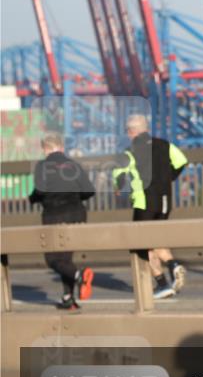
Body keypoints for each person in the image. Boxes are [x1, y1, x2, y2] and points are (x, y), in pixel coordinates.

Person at [112, 114, 189, 300]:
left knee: (141, 245)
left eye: (128, 132)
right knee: (155, 239)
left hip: (144, 202)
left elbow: (118, 176)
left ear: (132, 131)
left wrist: (119, 188)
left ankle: (165, 277)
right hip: (164, 201)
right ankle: (172, 268)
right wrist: (167, 178)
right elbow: (181, 162)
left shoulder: (129, 151)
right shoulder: (165, 145)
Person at [28, 133, 95, 311]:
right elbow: (89, 191)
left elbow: (41, 190)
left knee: (52, 259)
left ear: (45, 149)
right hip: (77, 214)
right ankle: (68, 298)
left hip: (55, 214)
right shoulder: (74, 165)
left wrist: (33, 198)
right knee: (65, 258)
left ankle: (79, 275)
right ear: (62, 147)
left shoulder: (43, 166)